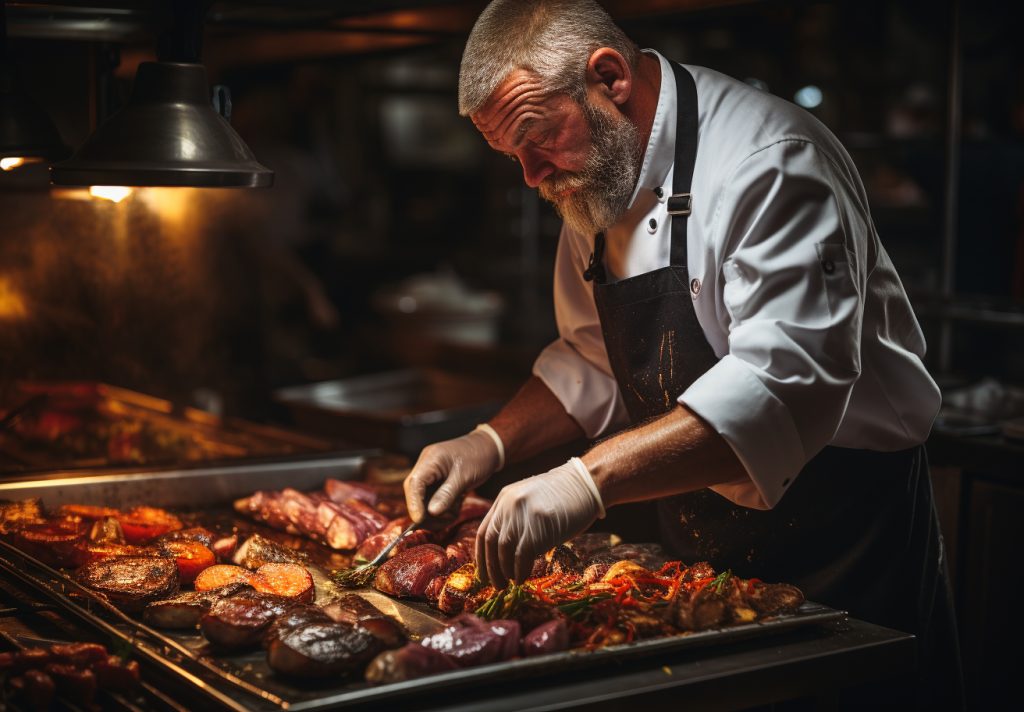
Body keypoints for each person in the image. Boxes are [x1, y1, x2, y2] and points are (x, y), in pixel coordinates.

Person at [403, 1, 962, 707]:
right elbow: (591, 355)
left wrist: (586, 481)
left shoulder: (772, 162)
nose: (529, 175)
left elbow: (781, 387)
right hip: (699, 540)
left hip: (843, 537)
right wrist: (488, 442)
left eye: (538, 139)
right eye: (512, 154)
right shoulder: (597, 179)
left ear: (608, 78)